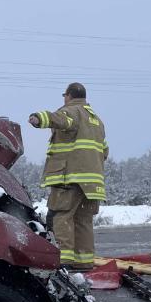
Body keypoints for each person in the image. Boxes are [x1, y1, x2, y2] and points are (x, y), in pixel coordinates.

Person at [28, 83, 108, 270]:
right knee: (83, 220)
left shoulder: (73, 111)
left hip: (70, 177)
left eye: (65, 96)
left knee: (62, 216)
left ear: (69, 96)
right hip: (92, 182)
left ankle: (64, 261)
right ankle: (84, 261)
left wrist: (39, 118)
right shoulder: (96, 120)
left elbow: (61, 120)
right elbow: (104, 151)